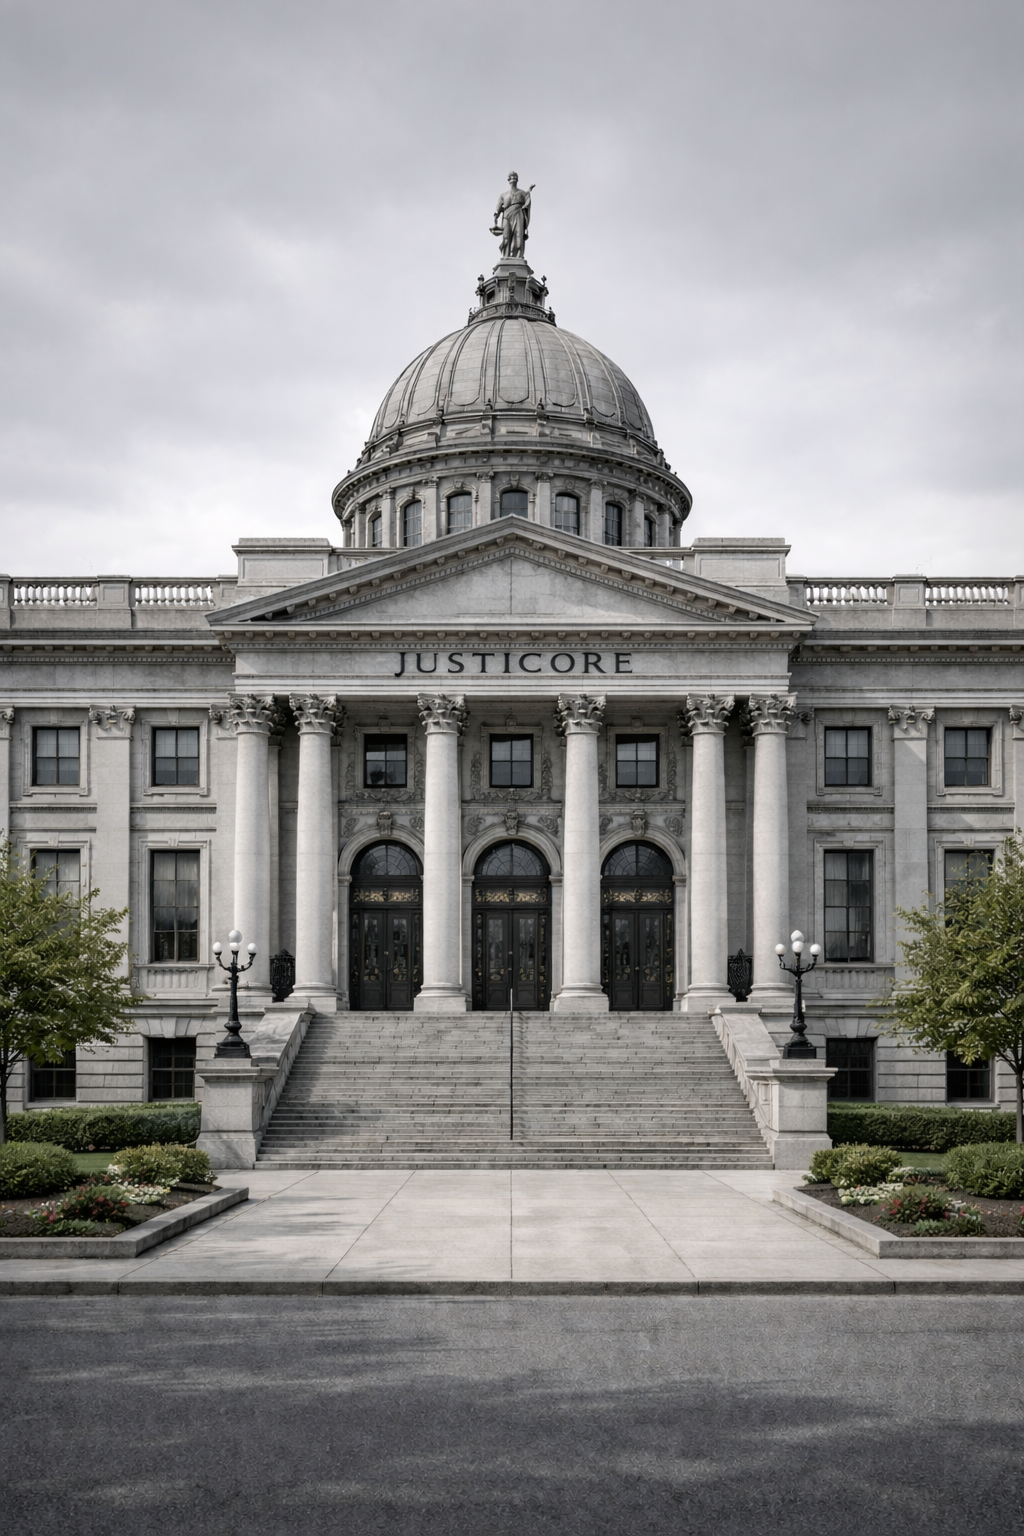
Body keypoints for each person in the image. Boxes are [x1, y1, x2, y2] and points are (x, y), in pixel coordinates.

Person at [491, 172, 534, 259]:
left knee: (518, 236)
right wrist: (496, 215)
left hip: (518, 215)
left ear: (517, 179)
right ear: (508, 180)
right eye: (511, 177)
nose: (513, 178)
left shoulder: (522, 193)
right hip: (507, 216)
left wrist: (529, 191)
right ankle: (506, 256)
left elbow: (527, 200)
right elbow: (498, 207)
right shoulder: (503, 195)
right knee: (506, 237)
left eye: (515, 177)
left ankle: (518, 256)